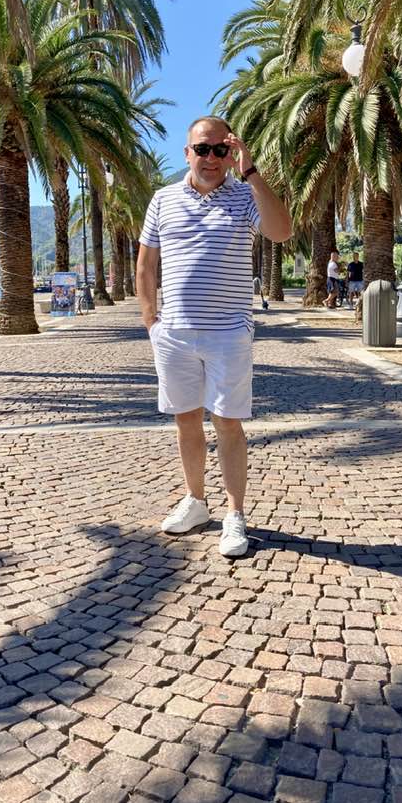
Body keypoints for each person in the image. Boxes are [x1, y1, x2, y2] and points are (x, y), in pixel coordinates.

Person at [136, 116, 291, 557]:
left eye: (220, 149)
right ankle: (196, 502)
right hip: (175, 334)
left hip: (228, 334)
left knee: (227, 423)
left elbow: (282, 231)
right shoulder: (163, 200)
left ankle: (235, 514)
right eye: (202, 149)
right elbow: (146, 265)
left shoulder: (245, 196)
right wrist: (152, 323)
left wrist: (251, 172)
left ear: (230, 153)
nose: (210, 158)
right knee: (186, 420)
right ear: (187, 152)